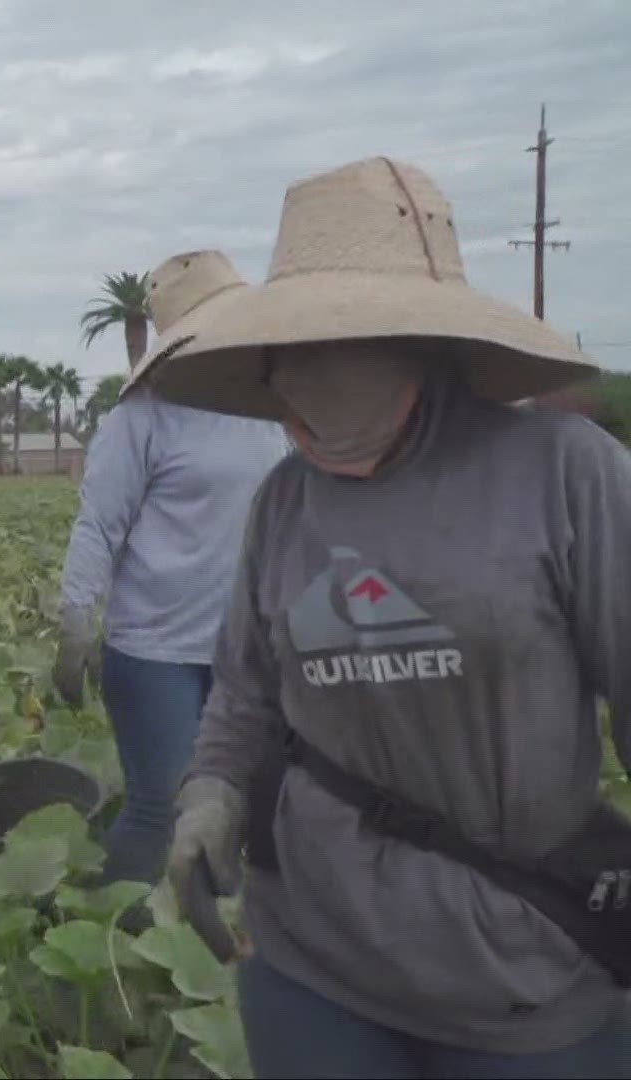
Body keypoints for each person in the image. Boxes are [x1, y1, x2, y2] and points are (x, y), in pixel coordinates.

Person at [158, 157, 631, 1078]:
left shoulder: (565, 473)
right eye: (292, 359)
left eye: (342, 348)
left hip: (518, 965)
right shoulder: (284, 503)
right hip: (309, 954)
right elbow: (247, 692)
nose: (309, 387)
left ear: (419, 342)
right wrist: (209, 793)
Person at [51, 250, 289, 883]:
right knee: (162, 811)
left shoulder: (268, 415)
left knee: (235, 809)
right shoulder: (142, 418)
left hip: (243, 650)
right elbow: (99, 524)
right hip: (154, 651)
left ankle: (205, 949)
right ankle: (115, 943)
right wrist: (77, 620)